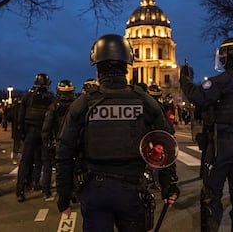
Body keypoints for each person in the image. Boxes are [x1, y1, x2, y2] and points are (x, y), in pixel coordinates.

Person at [56, 34, 180, 231]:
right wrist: (169, 184)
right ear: (127, 66)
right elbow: (166, 144)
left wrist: (63, 195)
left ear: (97, 69)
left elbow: (64, 151)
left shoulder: (83, 103)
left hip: (94, 188)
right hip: (132, 190)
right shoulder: (145, 101)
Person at [180, 36, 233, 231]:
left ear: (230, 56)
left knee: (211, 196)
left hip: (222, 145)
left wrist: (184, 80)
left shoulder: (224, 80)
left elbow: (198, 96)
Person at [16, 73, 55, 202]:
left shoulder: (28, 96)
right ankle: (45, 190)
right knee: (45, 161)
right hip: (44, 132)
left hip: (31, 132)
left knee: (25, 161)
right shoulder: (50, 97)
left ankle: (20, 191)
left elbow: (21, 117)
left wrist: (22, 132)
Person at [41, 79, 76, 199]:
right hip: (74, 141)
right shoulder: (77, 105)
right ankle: (73, 192)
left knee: (51, 167)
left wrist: (47, 144)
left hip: (58, 141)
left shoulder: (54, 106)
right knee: (74, 167)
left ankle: (48, 191)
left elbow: (46, 127)